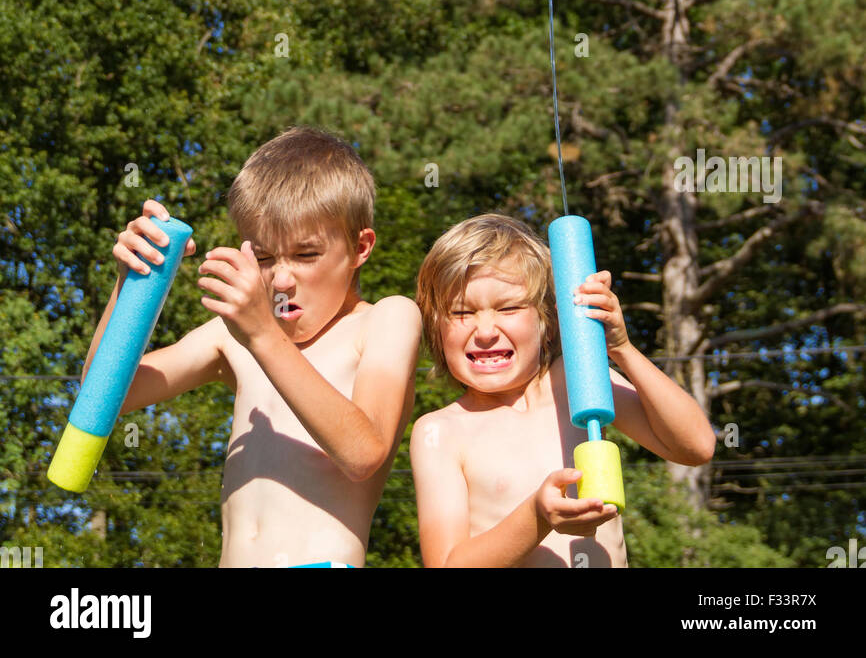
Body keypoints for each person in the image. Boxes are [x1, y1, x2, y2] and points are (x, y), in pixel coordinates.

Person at [82, 126, 421, 567]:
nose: (280, 280)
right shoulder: (232, 336)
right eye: (262, 257)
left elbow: (363, 453)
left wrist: (263, 335)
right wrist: (131, 286)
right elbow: (102, 396)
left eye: (306, 255)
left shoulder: (385, 319)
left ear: (360, 247)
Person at [410, 213, 716, 568]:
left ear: (547, 321)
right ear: (436, 330)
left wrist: (620, 349)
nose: (485, 331)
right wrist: (537, 517)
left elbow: (696, 445)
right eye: (461, 312)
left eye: (509, 307)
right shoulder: (441, 431)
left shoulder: (577, 379)